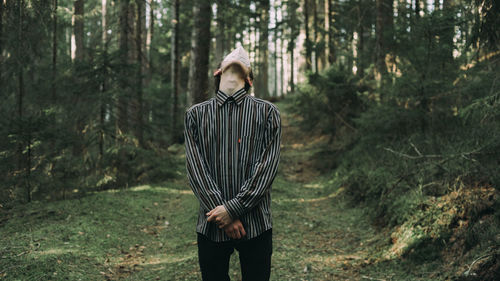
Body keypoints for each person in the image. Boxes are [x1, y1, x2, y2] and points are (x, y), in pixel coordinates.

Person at [184, 44, 282, 281]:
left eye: (243, 60)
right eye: (230, 58)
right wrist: (223, 215)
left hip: (256, 224)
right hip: (211, 227)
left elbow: (266, 168)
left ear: (249, 79)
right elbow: (196, 170)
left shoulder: (268, 113)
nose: (239, 52)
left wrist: (233, 209)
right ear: (218, 73)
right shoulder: (195, 115)